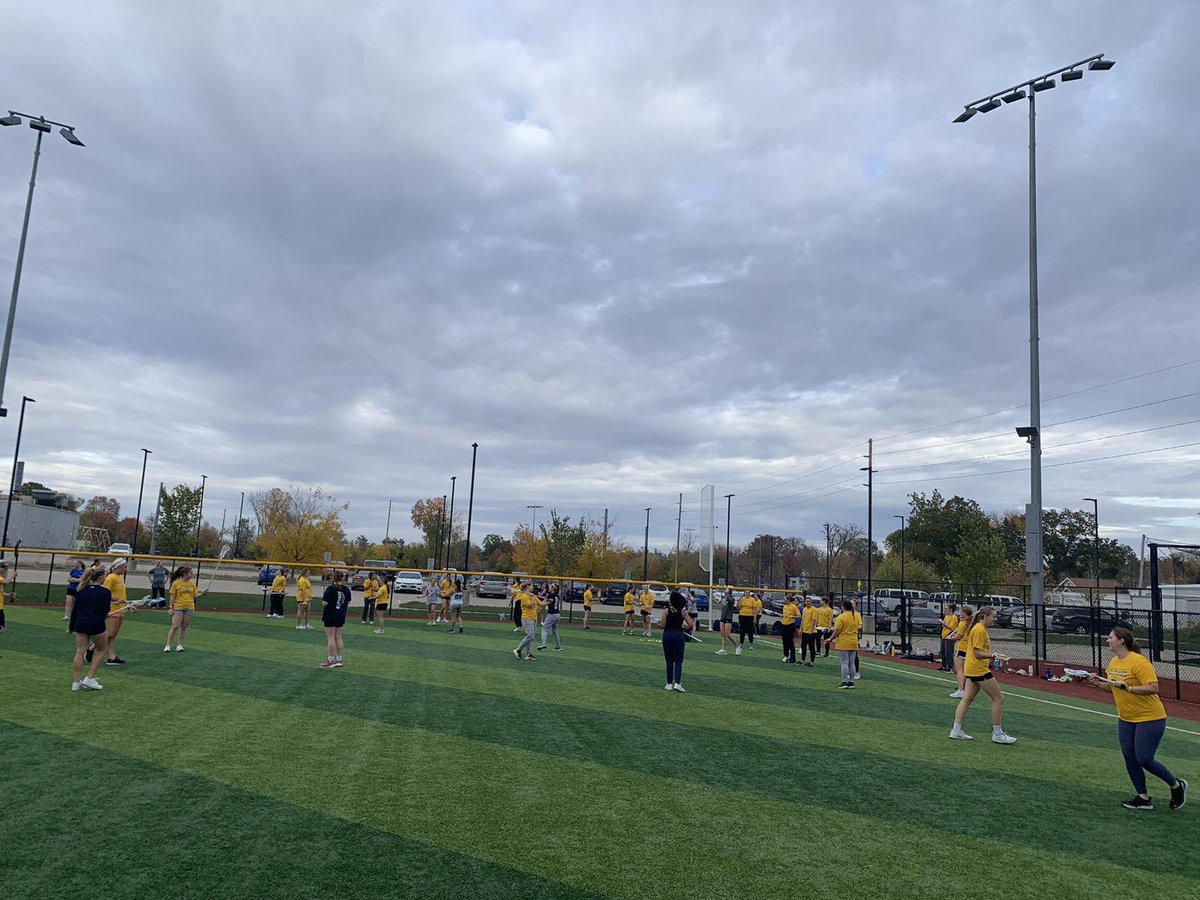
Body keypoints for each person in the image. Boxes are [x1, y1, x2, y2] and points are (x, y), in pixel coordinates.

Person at [1086, 627, 1188, 811]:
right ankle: (1143, 798)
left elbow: (1154, 688)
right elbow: (1113, 688)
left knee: (1144, 758)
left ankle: (1176, 785)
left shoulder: (1139, 662)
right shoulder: (1114, 663)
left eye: (1110, 638)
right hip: (1126, 718)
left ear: (1121, 641)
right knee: (1129, 756)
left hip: (1150, 718)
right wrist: (1097, 683)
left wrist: (1130, 689)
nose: (1107, 640)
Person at [950, 607, 1016, 744]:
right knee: (998, 699)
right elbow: (977, 652)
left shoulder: (978, 628)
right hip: (979, 670)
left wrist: (995, 656)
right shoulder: (979, 630)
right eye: (993, 616)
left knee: (966, 699)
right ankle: (997, 733)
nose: (995, 619)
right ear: (984, 616)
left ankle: (956, 731)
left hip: (972, 669)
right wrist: (994, 655)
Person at [69, 566, 111, 691]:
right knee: (102, 649)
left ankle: (76, 683)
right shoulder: (105, 592)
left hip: (80, 623)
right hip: (96, 623)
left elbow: (75, 611)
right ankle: (89, 678)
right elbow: (105, 610)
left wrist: (71, 627)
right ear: (101, 577)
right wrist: (105, 615)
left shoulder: (81, 590)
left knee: (80, 651)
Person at [165, 566, 206, 652]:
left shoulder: (192, 583)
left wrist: (202, 593)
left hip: (189, 607)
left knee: (184, 627)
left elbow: (195, 595)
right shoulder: (176, 583)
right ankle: (168, 645)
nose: (192, 574)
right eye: (190, 573)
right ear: (184, 573)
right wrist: (171, 607)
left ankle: (180, 645)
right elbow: (172, 596)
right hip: (178, 607)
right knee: (175, 626)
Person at [660, 590, 693, 692]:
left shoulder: (666, 611)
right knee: (678, 660)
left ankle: (669, 683)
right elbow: (691, 625)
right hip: (678, 635)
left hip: (667, 635)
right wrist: (683, 627)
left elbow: (663, 625)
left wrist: (659, 625)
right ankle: (677, 683)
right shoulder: (683, 613)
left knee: (669, 660)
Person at [319, 571, 351, 669]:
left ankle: (330, 660)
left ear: (333, 578)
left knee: (331, 638)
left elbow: (324, 603)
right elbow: (348, 602)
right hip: (341, 615)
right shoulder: (346, 589)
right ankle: (339, 659)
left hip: (330, 615)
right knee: (338, 637)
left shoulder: (330, 589)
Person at [102, 559, 131, 665]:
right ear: (118, 567)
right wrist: (116, 600)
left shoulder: (120, 577)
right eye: (124, 566)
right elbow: (104, 593)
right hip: (113, 609)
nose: (125, 569)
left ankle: (112, 657)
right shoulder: (111, 578)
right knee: (111, 633)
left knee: (113, 634)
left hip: (121, 608)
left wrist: (127, 605)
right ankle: (91, 648)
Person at [831, 600, 860, 688]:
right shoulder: (855, 616)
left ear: (843, 607)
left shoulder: (841, 617)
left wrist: (831, 638)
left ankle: (844, 681)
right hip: (853, 640)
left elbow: (838, 630)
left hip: (844, 641)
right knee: (852, 663)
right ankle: (851, 682)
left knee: (844, 662)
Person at [949, 603, 973, 699]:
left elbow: (959, 636)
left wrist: (951, 637)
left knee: (959, 670)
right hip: (968, 648)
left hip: (962, 647)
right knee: (965, 670)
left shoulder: (963, 623)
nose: (960, 614)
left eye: (961, 612)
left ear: (965, 613)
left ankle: (960, 690)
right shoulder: (971, 623)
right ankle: (966, 689)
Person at [512, 584, 542, 660]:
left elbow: (541, 604)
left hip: (533, 618)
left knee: (532, 637)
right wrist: (534, 597)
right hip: (527, 618)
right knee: (530, 635)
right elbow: (531, 605)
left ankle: (528, 654)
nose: (533, 587)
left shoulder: (530, 595)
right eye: (531, 586)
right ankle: (518, 650)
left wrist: (550, 600)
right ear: (528, 587)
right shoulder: (524, 596)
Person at [538, 584, 562, 651]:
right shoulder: (557, 595)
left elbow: (544, 602)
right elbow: (547, 599)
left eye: (550, 586)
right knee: (554, 631)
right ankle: (558, 646)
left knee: (544, 628)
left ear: (553, 589)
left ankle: (543, 644)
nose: (549, 587)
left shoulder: (551, 595)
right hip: (557, 614)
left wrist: (536, 600)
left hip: (552, 614)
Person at [737, 590, 760, 655]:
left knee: (750, 630)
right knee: (742, 631)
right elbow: (738, 607)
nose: (747, 594)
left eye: (748, 593)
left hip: (749, 617)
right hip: (742, 616)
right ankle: (741, 644)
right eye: (746, 593)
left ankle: (751, 644)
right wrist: (739, 601)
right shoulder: (742, 599)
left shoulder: (752, 600)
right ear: (744, 593)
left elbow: (755, 610)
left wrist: (755, 618)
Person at [62, 558, 85, 623]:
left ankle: (78, 615)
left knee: (78, 603)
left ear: (79, 564)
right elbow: (68, 579)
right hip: (71, 588)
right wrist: (75, 579)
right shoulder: (73, 571)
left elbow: (81, 580)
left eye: (75, 563)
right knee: (68, 601)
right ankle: (66, 616)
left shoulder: (83, 571)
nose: (74, 564)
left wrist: (74, 579)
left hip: (78, 589)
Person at [939, 603, 960, 672]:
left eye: (946, 609)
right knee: (943, 652)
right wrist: (943, 624)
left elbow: (951, 627)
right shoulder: (946, 616)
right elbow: (944, 626)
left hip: (950, 635)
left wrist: (943, 623)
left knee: (949, 652)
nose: (946, 610)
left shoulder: (954, 617)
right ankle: (944, 666)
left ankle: (950, 667)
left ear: (951, 609)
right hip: (944, 635)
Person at [716, 589, 737, 655]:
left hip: (728, 617)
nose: (725, 593)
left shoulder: (731, 599)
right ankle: (723, 649)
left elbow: (729, 600)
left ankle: (737, 646)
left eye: (727, 592)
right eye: (725, 592)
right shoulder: (723, 599)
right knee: (722, 633)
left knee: (728, 634)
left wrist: (727, 595)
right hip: (723, 617)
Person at [799, 597, 818, 667]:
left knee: (811, 647)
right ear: (804, 602)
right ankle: (802, 660)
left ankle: (812, 662)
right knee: (803, 646)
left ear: (811, 602)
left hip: (811, 632)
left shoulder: (814, 610)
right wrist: (801, 629)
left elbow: (814, 620)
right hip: (804, 630)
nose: (808, 603)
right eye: (806, 601)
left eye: (809, 601)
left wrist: (810, 629)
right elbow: (803, 620)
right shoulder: (804, 609)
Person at [780, 595, 799, 664]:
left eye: (784, 599)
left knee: (790, 642)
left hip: (790, 625)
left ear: (788, 600)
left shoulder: (793, 606)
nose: (783, 600)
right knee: (784, 641)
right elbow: (784, 615)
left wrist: (793, 616)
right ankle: (786, 655)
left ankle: (793, 658)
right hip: (784, 625)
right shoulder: (784, 607)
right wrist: (782, 616)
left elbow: (799, 615)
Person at [852, 599, 864, 681]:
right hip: (846, 637)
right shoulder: (846, 614)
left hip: (854, 636)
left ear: (856, 605)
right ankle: (851, 672)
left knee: (854, 654)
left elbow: (860, 625)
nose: (851, 605)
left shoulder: (857, 614)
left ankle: (857, 671)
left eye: (853, 603)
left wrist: (855, 628)